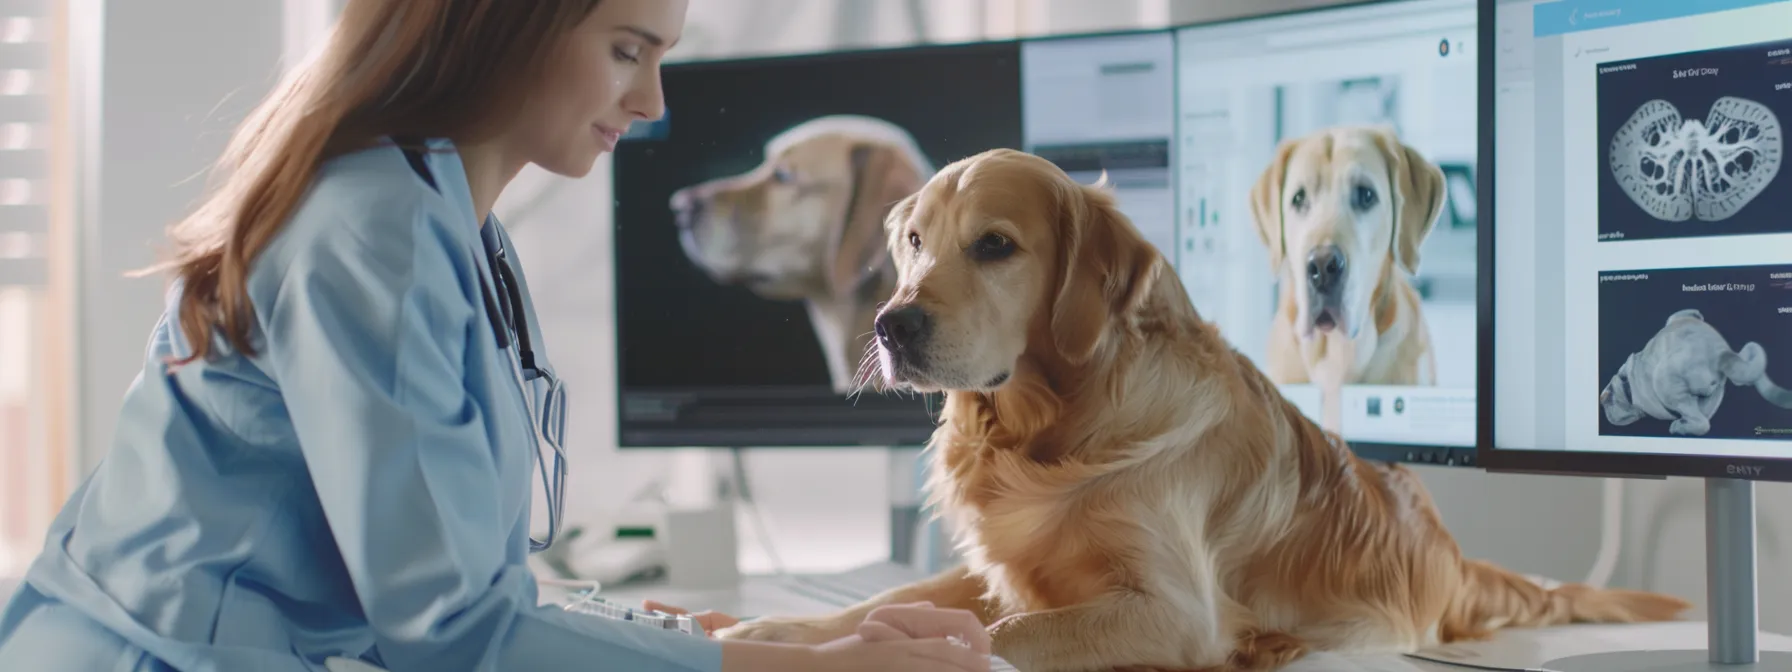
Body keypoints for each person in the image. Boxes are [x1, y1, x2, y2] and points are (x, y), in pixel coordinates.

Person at [0, 1, 992, 670]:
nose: (651, 105)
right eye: (627, 50)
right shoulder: (371, 231)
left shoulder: (450, 223)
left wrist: (766, 639)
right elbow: (454, 631)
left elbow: (478, 582)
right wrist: (800, 667)